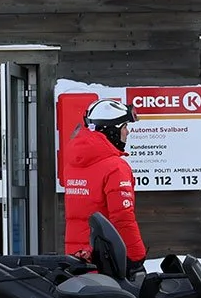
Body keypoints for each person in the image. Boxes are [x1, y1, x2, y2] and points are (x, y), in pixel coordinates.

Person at [62, 97, 146, 267]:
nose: (127, 133)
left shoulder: (73, 163)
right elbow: (122, 218)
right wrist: (136, 257)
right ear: (112, 130)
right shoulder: (115, 167)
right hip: (106, 259)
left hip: (77, 259)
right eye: (125, 127)